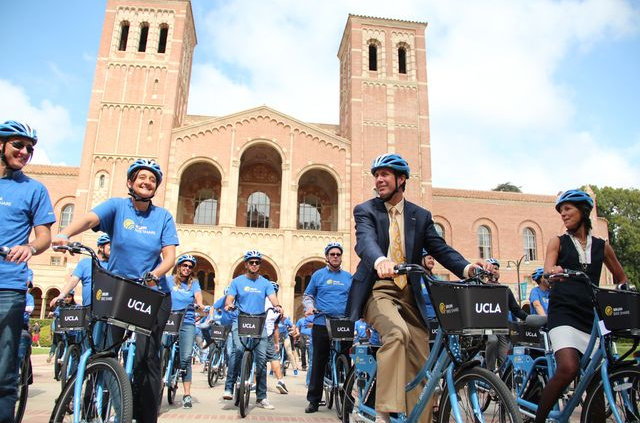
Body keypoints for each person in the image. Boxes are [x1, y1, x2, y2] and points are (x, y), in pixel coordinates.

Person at [346, 153, 493, 423]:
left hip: (410, 295)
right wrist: (381, 260)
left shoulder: (420, 216)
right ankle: (383, 413)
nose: (378, 179)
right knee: (397, 334)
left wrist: (468, 268)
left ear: (401, 179)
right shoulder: (366, 210)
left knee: (421, 361)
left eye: (385, 174)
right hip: (379, 289)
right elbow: (365, 241)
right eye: (376, 175)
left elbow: (440, 249)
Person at [53, 158, 178, 423]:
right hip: (121, 290)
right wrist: (65, 234)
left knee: (147, 357)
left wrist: (155, 275)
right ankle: (94, 402)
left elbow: (169, 257)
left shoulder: (163, 217)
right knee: (106, 350)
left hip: (152, 292)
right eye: (142, 177)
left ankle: (145, 417)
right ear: (131, 182)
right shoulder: (117, 207)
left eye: (152, 179)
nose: (147, 182)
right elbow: (89, 219)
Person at [534, 189, 628, 423]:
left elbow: (620, 277)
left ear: (584, 211)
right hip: (563, 314)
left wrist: (624, 289)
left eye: (568, 209)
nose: (563, 214)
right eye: (561, 211)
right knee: (568, 367)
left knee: (596, 379)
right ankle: (539, 419)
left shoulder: (601, 246)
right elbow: (546, 275)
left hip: (592, 317)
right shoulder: (558, 242)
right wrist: (551, 273)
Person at [0, 120, 55, 422]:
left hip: (8, 284)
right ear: (1, 145)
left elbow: (44, 235)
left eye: (30, 149)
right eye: (18, 145)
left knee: (4, 373)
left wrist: (30, 248)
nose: (24, 152)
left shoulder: (34, 189)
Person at [223, 250, 283, 410]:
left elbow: (273, 298)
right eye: (251, 262)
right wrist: (229, 305)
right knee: (238, 350)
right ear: (246, 264)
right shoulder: (237, 281)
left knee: (262, 360)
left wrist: (277, 306)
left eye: (257, 262)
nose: (254, 265)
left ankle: (261, 397)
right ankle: (229, 387)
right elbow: (229, 299)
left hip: (259, 321)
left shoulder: (266, 283)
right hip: (241, 319)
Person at [303, 242, 352, 413]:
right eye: (332, 254)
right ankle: (314, 401)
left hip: (343, 323)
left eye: (338, 254)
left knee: (346, 359)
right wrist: (309, 307)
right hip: (321, 322)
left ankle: (347, 398)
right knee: (318, 362)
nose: (336, 256)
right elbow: (308, 295)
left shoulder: (348, 277)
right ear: (327, 257)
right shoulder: (318, 275)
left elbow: (354, 298)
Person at [167, 254, 204, 409]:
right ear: (179, 266)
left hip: (187, 321)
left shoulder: (193, 283)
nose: (187, 268)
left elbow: (198, 296)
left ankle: (187, 395)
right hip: (169, 319)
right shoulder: (169, 280)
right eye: (184, 265)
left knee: (186, 358)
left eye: (190, 267)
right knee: (161, 349)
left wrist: (200, 305)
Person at [483, 258, 528, 372]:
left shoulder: (505, 290)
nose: (494, 270)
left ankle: (504, 383)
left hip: (503, 328)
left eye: (497, 268)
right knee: (492, 341)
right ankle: (490, 373)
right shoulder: (481, 288)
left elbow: (516, 310)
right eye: (491, 268)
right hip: (487, 327)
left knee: (505, 360)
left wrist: (529, 318)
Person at [50, 234, 110, 309]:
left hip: (110, 310)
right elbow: (73, 280)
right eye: (110, 245)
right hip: (89, 310)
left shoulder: (116, 265)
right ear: (101, 247)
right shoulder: (85, 263)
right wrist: (61, 296)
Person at [264, 281, 288, 394]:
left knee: (256, 358)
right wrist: (277, 343)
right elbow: (276, 327)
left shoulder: (259, 301)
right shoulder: (277, 308)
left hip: (256, 332)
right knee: (274, 357)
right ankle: (280, 381)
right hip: (268, 334)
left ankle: (253, 383)